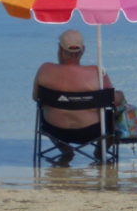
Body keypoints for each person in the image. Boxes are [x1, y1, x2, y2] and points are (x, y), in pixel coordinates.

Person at [33, 29, 125, 158]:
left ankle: (65, 151)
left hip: (53, 130)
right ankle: (100, 152)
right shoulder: (95, 73)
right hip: (92, 131)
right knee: (116, 113)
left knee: (44, 111)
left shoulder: (45, 69)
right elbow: (112, 100)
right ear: (83, 50)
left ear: (60, 49)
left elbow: (35, 97)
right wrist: (121, 96)